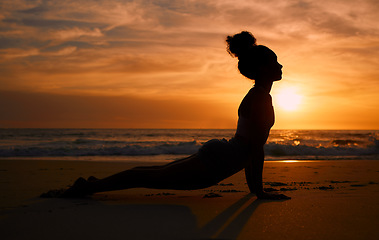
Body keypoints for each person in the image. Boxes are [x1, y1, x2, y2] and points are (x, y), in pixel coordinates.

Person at [46, 31, 290, 200]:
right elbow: (254, 150)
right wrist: (259, 192)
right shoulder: (260, 99)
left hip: (221, 156)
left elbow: (251, 148)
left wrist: (254, 190)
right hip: (218, 162)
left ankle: (94, 184)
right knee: (151, 176)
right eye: (274, 62)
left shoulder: (257, 96)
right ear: (260, 69)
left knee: (151, 173)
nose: (280, 66)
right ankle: (89, 187)